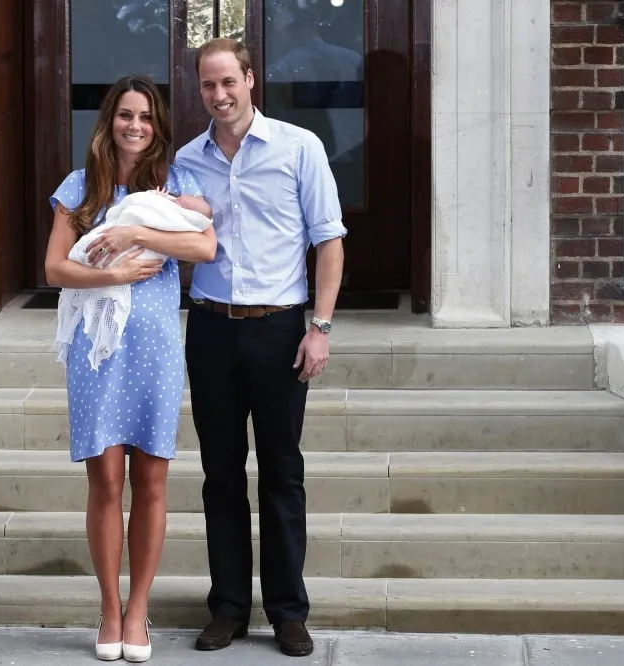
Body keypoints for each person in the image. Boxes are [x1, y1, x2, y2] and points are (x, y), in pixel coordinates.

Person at [175, 38, 346, 658]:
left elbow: (329, 240)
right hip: (212, 329)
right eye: (207, 86)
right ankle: (227, 607)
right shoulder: (186, 161)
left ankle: (287, 610)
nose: (219, 95)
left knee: (281, 472)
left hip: (279, 329)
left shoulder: (299, 148)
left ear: (250, 80)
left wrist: (319, 327)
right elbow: (175, 238)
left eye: (229, 82)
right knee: (220, 475)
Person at [44, 74, 215, 663]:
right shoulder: (79, 186)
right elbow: (55, 270)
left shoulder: (178, 183)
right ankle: (109, 608)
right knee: (106, 481)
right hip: (97, 349)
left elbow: (205, 247)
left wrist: (138, 232)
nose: (135, 125)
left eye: (145, 116)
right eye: (124, 115)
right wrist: (112, 275)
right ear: (109, 122)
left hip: (157, 347)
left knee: (150, 480)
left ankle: (139, 609)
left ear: (158, 125)